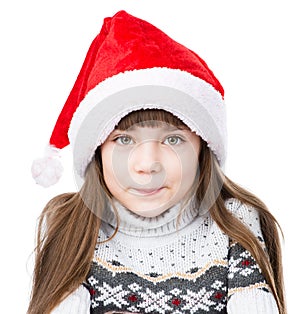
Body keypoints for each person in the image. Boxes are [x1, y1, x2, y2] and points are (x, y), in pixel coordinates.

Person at [28, 10, 286, 314]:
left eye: (173, 140)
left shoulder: (234, 224)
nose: (147, 165)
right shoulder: (72, 226)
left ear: (204, 148)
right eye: (124, 140)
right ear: (96, 151)